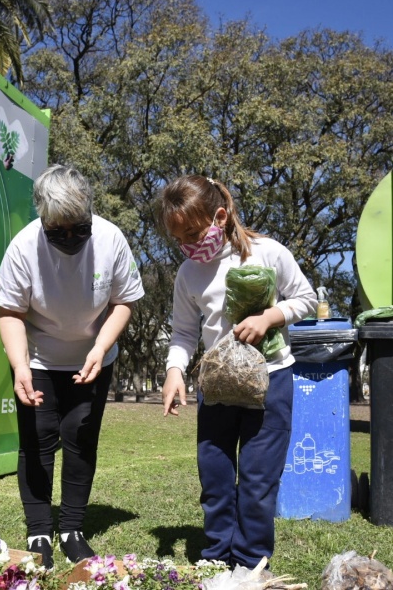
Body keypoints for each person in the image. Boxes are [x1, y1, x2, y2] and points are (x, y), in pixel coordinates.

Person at [157, 175, 316, 571]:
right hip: (218, 386)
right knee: (214, 474)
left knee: (258, 479)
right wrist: (175, 370)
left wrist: (270, 317)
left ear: (220, 216)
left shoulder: (268, 253)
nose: (189, 245)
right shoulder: (188, 274)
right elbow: (183, 332)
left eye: (193, 233)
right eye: (179, 239)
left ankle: (250, 563)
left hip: (271, 381)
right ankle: (215, 558)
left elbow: (307, 298)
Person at [0, 165, 145, 568]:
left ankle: (72, 529)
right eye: (57, 232)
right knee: (38, 438)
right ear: (42, 218)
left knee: (80, 437)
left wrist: (101, 346)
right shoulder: (23, 247)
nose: (70, 239)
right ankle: (39, 528)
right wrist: (20, 365)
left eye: (79, 229)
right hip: (39, 357)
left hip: (93, 355)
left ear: (90, 213)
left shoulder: (112, 239)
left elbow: (124, 301)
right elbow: (9, 311)